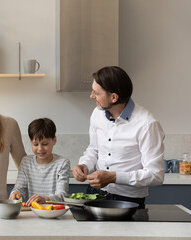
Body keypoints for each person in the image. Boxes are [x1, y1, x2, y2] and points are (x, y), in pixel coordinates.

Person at [72, 66, 165, 209]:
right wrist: (84, 165)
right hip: (95, 193)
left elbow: (156, 175)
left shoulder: (147, 124)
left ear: (114, 97)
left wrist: (114, 177)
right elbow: (94, 150)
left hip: (128, 201)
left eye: (96, 93)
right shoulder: (97, 114)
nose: (91, 96)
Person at [9, 118, 70, 206]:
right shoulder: (26, 162)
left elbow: (62, 195)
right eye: (35, 144)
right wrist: (15, 194)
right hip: (34, 212)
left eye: (45, 144)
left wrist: (44, 199)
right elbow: (20, 188)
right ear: (31, 142)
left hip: (55, 211)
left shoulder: (62, 163)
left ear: (54, 140)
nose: (40, 149)